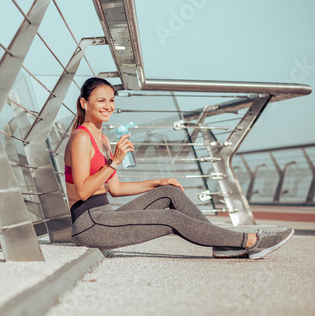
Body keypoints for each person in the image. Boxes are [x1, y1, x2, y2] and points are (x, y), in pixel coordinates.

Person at [64, 77, 293, 259]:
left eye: (112, 100)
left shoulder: (103, 139)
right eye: (101, 100)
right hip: (89, 224)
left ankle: (224, 243)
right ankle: (248, 241)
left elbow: (115, 188)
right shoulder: (81, 138)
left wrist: (158, 182)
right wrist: (114, 161)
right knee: (171, 218)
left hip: (104, 216)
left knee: (169, 192)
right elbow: (83, 191)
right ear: (85, 103)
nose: (108, 106)